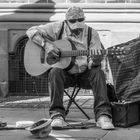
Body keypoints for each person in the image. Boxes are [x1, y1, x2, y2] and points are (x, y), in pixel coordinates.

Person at [26, 6, 114, 130]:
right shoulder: (57, 27)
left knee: (97, 72)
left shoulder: (91, 33)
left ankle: (103, 116)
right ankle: (57, 116)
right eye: (72, 22)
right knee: (55, 71)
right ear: (66, 21)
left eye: (80, 20)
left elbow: (92, 63)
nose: (77, 26)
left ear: (84, 19)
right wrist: (46, 45)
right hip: (65, 75)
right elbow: (30, 31)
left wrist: (95, 60)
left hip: (84, 75)